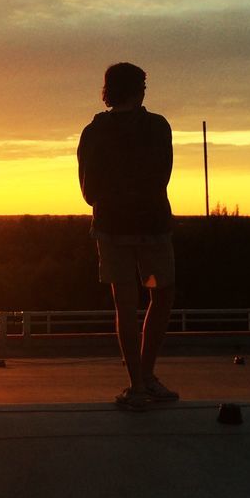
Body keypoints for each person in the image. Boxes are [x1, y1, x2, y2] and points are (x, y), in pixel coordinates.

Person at [76, 62, 179, 411]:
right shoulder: (157, 127)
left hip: (112, 229)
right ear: (139, 90)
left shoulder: (94, 131)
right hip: (151, 228)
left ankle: (137, 383)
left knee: (126, 305)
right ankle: (145, 376)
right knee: (159, 296)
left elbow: (88, 190)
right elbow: (163, 175)